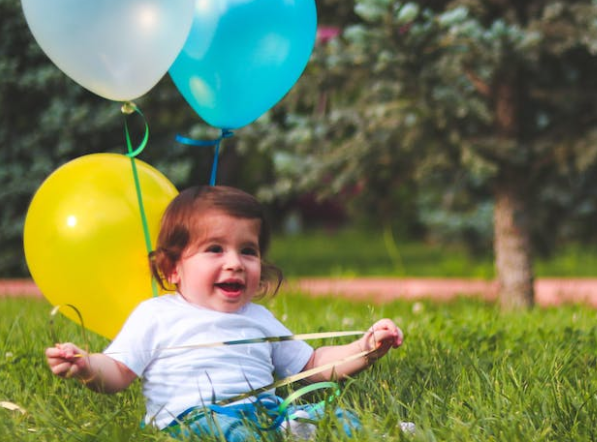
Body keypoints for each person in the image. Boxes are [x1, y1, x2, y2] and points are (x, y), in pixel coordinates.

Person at [46, 185, 407, 441]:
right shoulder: (156, 315)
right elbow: (119, 372)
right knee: (226, 432)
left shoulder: (258, 317)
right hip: (192, 419)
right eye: (215, 249)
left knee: (327, 415)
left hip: (267, 411)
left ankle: (381, 433)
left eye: (247, 251)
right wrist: (87, 366)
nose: (235, 263)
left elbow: (312, 364)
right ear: (173, 268)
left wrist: (365, 348)